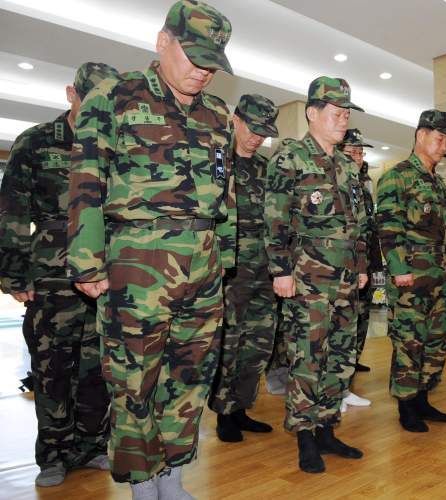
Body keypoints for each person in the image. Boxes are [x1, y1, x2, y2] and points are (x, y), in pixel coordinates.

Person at [66, 1, 236, 497]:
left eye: (212, 63)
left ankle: (174, 478)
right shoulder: (113, 97)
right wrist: (86, 260)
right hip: (137, 263)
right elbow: (86, 183)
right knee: (133, 378)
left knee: (190, 377)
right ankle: (143, 485)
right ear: (163, 41)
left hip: (203, 264)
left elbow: (226, 194)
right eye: (195, 57)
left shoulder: (218, 113)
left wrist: (224, 257)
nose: (203, 72)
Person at [0, 62, 118, 488]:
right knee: (53, 370)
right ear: (72, 94)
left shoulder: (117, 145)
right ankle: (53, 453)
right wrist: (15, 274)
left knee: (97, 369)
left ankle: (90, 446)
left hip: (105, 276)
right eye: (91, 102)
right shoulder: (36, 143)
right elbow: (11, 210)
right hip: (53, 276)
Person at [264, 76, 369, 473]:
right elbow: (274, 218)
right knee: (308, 358)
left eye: (346, 113)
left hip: (344, 281)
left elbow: (357, 222)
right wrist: (280, 270)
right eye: (336, 112)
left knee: (341, 357)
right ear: (312, 113)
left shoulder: (346, 165)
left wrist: (360, 266)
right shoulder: (289, 157)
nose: (343, 119)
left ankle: (327, 427)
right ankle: (305, 437)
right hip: (307, 280)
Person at [376, 109, 446, 432]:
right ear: (421, 135)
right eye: (440, 139)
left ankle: (423, 398)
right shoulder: (396, 177)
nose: (444, 147)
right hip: (410, 278)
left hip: (438, 276)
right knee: (409, 341)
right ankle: (406, 406)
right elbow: (388, 226)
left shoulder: (438, 183)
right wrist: (398, 269)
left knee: (435, 340)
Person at [208, 94, 279, 442]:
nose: (257, 137)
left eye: (264, 132)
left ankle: (242, 407)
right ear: (235, 119)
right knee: (229, 342)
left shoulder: (266, 168)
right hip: (230, 268)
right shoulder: (216, 161)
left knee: (259, 343)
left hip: (264, 269)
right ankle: (223, 412)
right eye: (252, 128)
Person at [338, 127, 383, 411]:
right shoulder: (336, 181)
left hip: (364, 265)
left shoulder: (362, 187)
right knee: (339, 330)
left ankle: (347, 383)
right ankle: (334, 390)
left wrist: (374, 264)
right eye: (351, 151)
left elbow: (369, 230)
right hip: (340, 269)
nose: (356, 156)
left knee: (359, 324)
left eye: (360, 152)